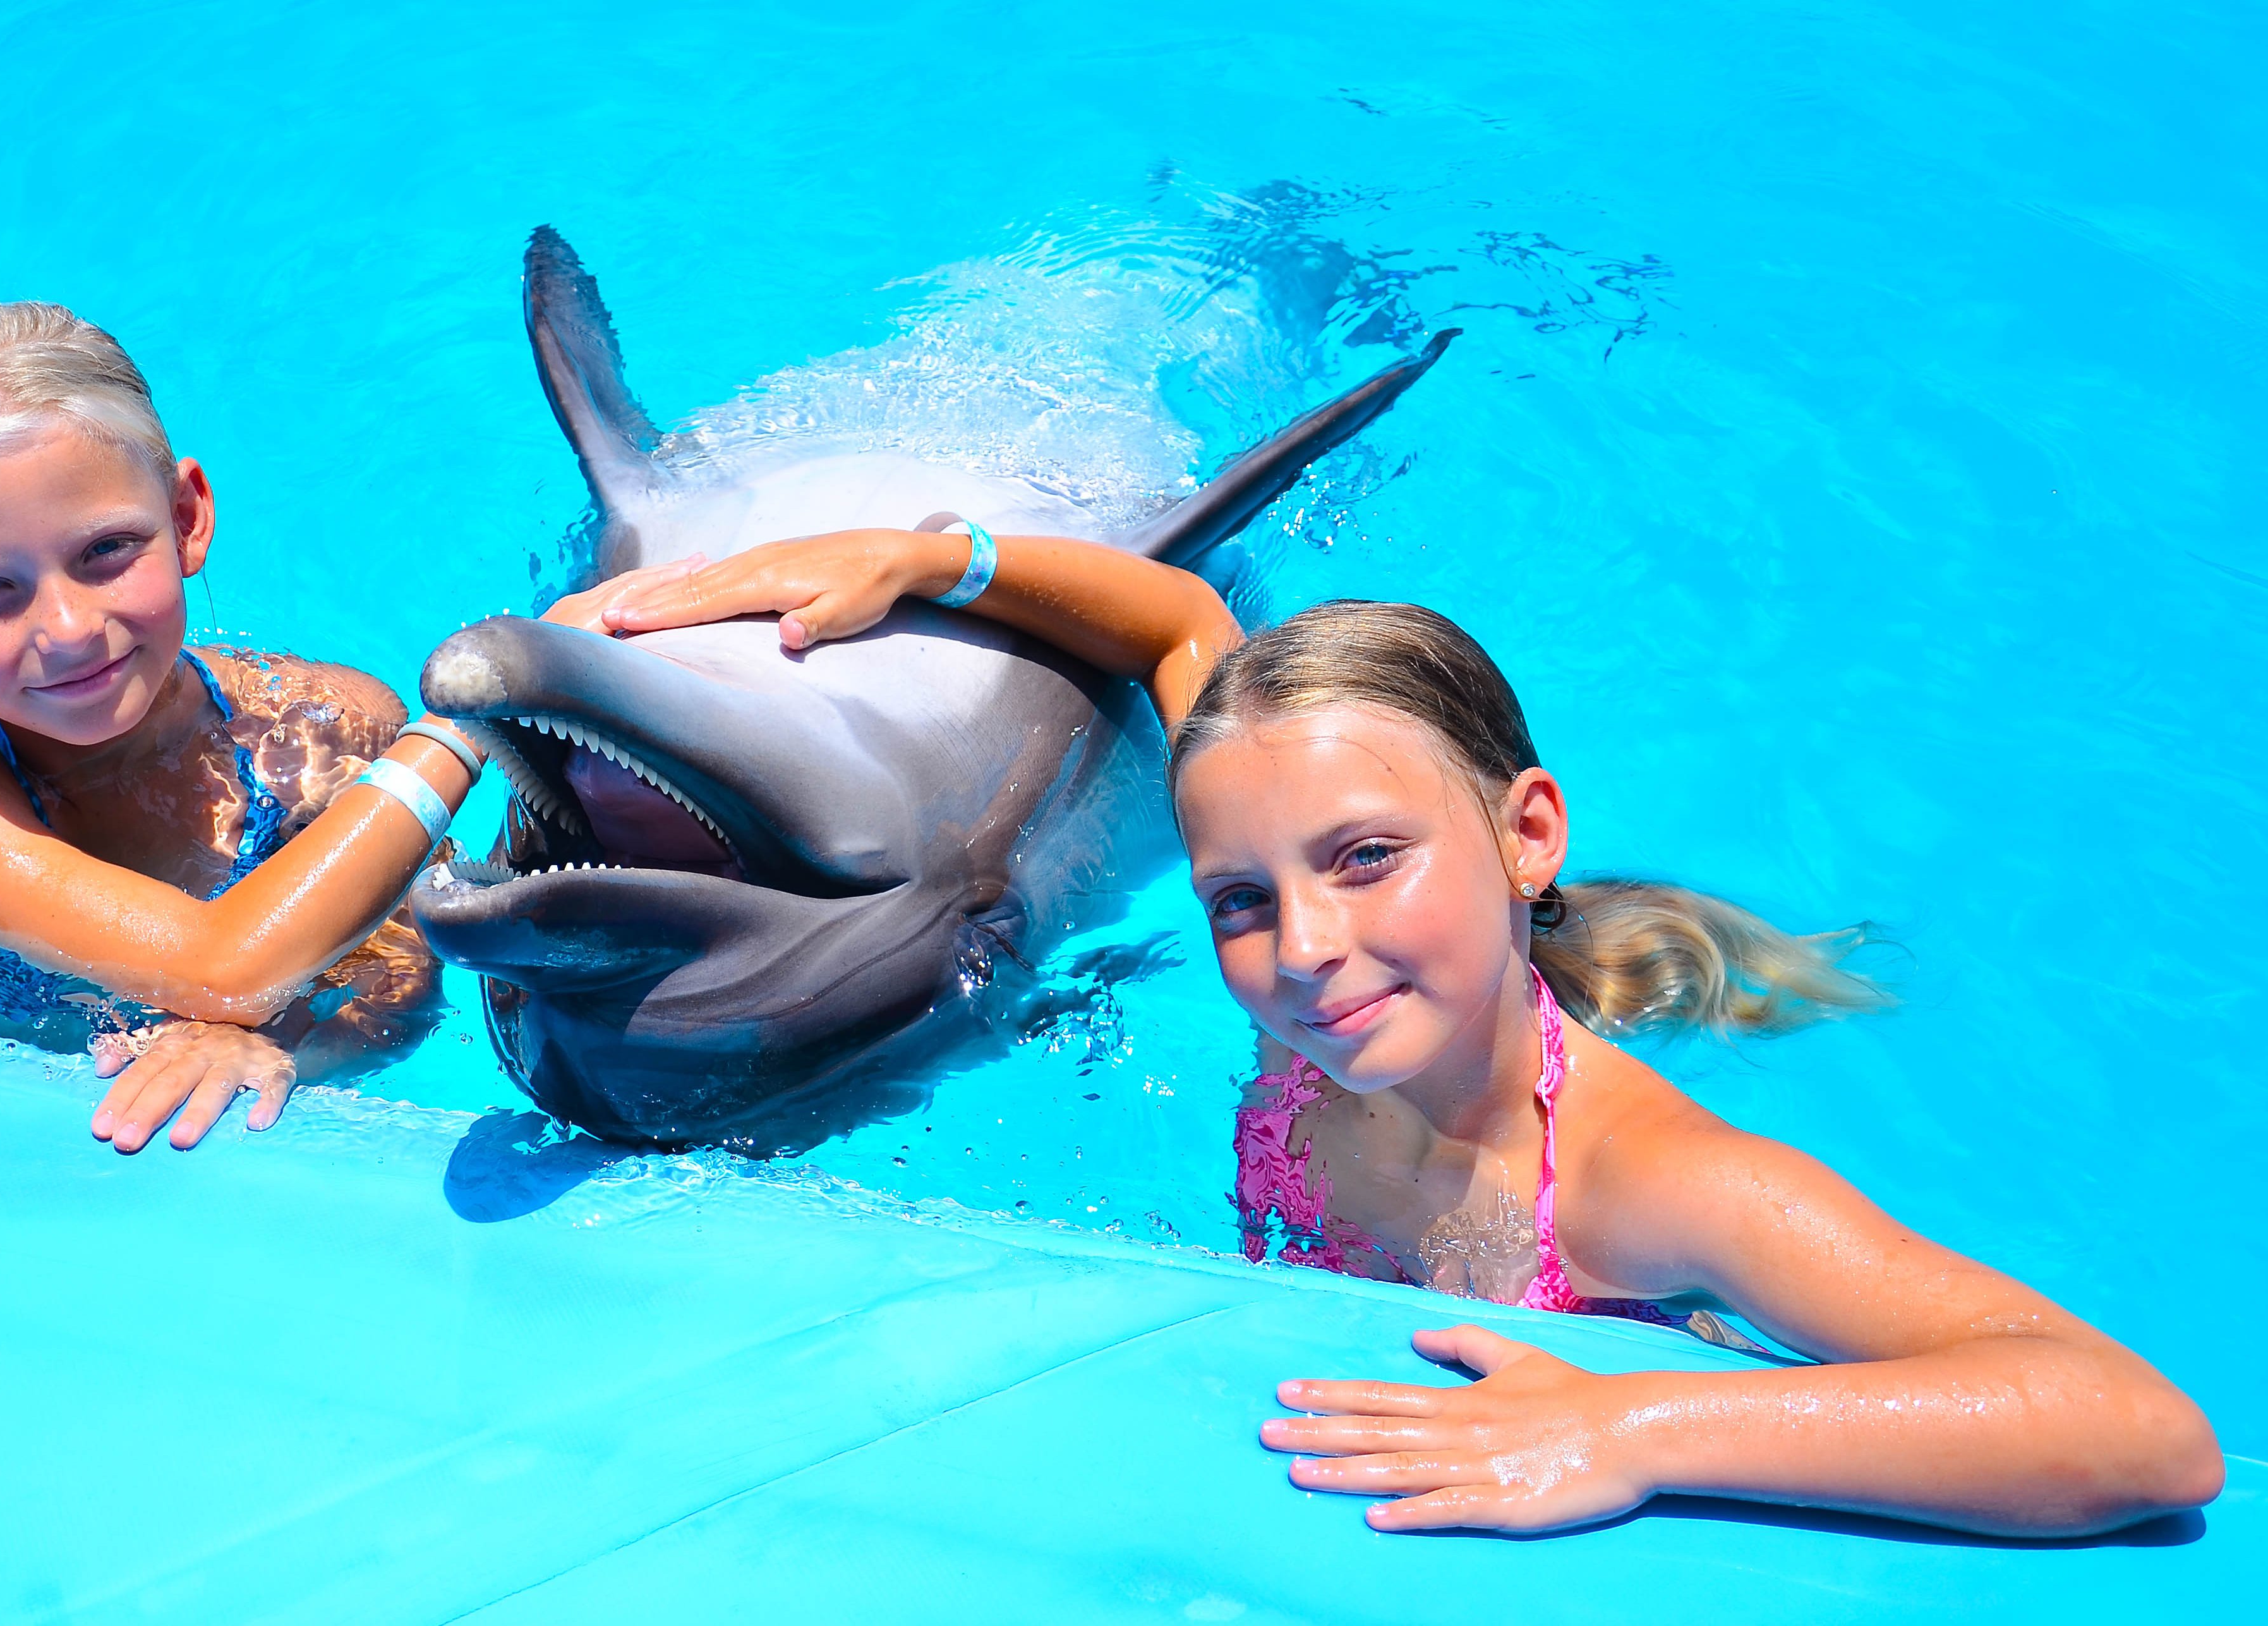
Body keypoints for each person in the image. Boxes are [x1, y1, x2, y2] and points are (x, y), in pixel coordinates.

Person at [597, 525, 2223, 1536]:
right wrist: (924, 558)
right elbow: (1175, 620)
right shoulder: (1324, 1013)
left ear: (1528, 834)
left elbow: (2140, 1429)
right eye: (1241, 900)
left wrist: (1634, 1421)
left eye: (1369, 858)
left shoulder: (1643, 1186)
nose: (1306, 948)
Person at [0, 303, 682, 1153]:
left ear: (187, 519)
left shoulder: (317, 726)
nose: (70, 629)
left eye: (105, 551)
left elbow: (402, 982)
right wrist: (467, 720)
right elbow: (223, 968)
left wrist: (280, 1053)